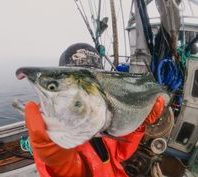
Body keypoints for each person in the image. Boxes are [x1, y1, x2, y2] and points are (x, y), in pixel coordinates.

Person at [25, 43, 165, 177]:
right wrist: (59, 166)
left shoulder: (100, 115)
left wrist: (139, 124)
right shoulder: (52, 137)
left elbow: (120, 154)